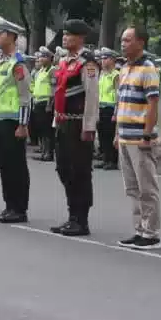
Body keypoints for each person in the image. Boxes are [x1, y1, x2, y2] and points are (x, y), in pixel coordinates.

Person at [115, 26, 161, 250]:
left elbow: (153, 106)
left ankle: (151, 233)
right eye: (122, 40)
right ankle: (139, 229)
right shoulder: (124, 68)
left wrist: (147, 135)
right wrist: (117, 133)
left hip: (140, 139)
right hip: (125, 137)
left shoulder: (148, 69)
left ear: (141, 43)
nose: (123, 44)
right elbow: (121, 104)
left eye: (127, 40)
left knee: (147, 188)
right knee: (132, 188)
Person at [51, 18, 101, 236]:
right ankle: (72, 214)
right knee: (63, 168)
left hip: (78, 123)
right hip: (63, 121)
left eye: (70, 34)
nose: (65, 37)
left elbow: (92, 97)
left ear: (80, 38)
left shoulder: (87, 63)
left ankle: (81, 218)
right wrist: (56, 119)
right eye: (64, 34)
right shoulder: (64, 61)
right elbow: (60, 93)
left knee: (79, 171)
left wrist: (89, 126)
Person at [0, 18, 33, 224]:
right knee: (4, 164)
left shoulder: (18, 64)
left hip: (14, 122)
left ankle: (19, 208)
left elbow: (25, 96)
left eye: (0, 34)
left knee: (16, 166)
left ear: (11, 36)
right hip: (1, 118)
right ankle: (9, 205)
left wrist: (23, 125)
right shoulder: (2, 62)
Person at [30, 47, 55, 161]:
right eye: (40, 56)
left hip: (46, 102)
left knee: (47, 130)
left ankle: (48, 153)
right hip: (38, 102)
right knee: (40, 128)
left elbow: (54, 89)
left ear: (50, 58)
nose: (41, 59)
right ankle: (43, 151)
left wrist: (50, 104)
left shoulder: (52, 70)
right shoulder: (40, 71)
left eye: (44, 56)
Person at [96, 49, 120, 170]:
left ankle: (113, 161)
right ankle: (105, 158)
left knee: (110, 135)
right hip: (100, 107)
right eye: (102, 58)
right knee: (102, 135)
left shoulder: (115, 75)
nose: (102, 61)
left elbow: (118, 95)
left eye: (105, 58)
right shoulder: (101, 74)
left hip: (110, 108)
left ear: (112, 60)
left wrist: (116, 111)